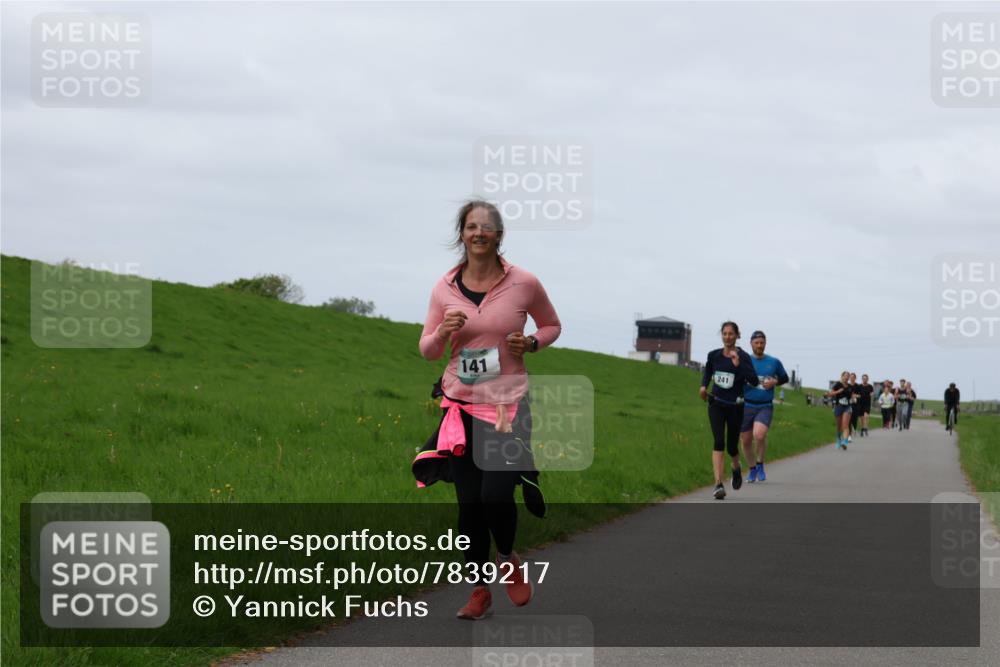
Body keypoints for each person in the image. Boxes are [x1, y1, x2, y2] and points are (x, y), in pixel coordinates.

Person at [415, 200, 561, 620]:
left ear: (499, 235)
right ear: (461, 233)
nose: (479, 233)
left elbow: (551, 324)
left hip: (507, 407)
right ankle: (479, 590)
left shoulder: (524, 282)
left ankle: (509, 558)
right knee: (469, 506)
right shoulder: (443, 287)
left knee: (495, 495)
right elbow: (427, 350)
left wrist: (531, 342)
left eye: (488, 227)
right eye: (471, 226)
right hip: (460, 407)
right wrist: (442, 331)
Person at [700, 322, 759, 499]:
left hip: (736, 407)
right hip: (716, 404)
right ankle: (718, 484)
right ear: (721, 335)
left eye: (731, 334)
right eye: (724, 334)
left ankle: (736, 467)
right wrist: (703, 386)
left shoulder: (744, 357)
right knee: (719, 441)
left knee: (732, 446)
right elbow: (708, 371)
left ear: (737, 335)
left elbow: (754, 381)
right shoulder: (714, 355)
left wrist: (738, 363)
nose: (727, 337)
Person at [739, 330, 788, 483]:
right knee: (746, 440)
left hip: (764, 405)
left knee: (759, 435)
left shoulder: (773, 362)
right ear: (751, 344)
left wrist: (775, 382)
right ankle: (752, 469)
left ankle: (760, 464)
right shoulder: (744, 361)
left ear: (765, 343)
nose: (759, 346)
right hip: (746, 405)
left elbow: (784, 377)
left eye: (762, 343)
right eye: (757, 343)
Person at [826, 371, 853, 449]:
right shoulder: (837, 384)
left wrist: (853, 398)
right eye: (845, 376)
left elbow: (851, 396)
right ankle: (839, 439)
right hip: (838, 406)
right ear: (842, 376)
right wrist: (838, 391)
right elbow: (830, 394)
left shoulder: (850, 387)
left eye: (848, 376)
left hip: (847, 407)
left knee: (845, 425)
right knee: (838, 426)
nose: (847, 377)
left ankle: (844, 442)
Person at [848, 372, 860, 441]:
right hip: (848, 404)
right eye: (851, 377)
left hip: (855, 404)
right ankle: (849, 434)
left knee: (854, 418)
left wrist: (855, 396)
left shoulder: (857, 386)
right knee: (849, 418)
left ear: (855, 378)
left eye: (853, 377)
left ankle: (854, 429)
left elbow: (860, 395)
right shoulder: (848, 385)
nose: (852, 378)